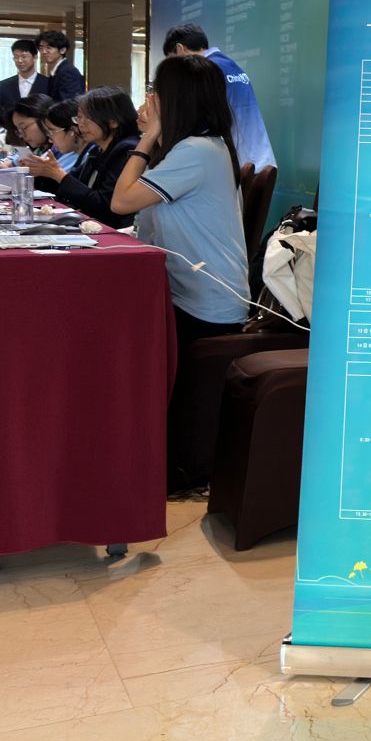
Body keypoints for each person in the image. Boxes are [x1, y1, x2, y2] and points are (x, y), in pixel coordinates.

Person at [110, 53, 250, 492]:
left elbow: (121, 201)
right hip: (190, 291)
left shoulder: (196, 151)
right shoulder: (197, 147)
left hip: (205, 301)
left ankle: (162, 468)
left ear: (177, 99)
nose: (148, 99)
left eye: (155, 91)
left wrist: (147, 138)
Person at [161, 22, 274, 171]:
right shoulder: (229, 64)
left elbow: (196, 124)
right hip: (260, 160)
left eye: (172, 61)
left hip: (237, 165)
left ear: (180, 48)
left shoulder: (205, 71)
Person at [18, 88, 139, 224]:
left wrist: (57, 174)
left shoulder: (126, 150)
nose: (81, 125)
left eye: (89, 118)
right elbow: (74, 186)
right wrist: (43, 172)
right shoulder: (98, 150)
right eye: (79, 118)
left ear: (113, 121)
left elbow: (104, 204)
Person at [0, 38, 46, 112]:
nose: (20, 60)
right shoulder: (4, 85)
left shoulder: (48, 83)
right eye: (16, 57)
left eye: (24, 57)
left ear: (35, 57)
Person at [37, 30, 84, 102]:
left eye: (48, 48)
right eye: (41, 48)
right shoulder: (57, 71)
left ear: (62, 50)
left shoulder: (68, 71)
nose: (44, 51)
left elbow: (70, 103)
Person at [42, 98, 84, 172]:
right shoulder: (76, 155)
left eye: (52, 131)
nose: (50, 140)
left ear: (73, 130)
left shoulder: (90, 157)